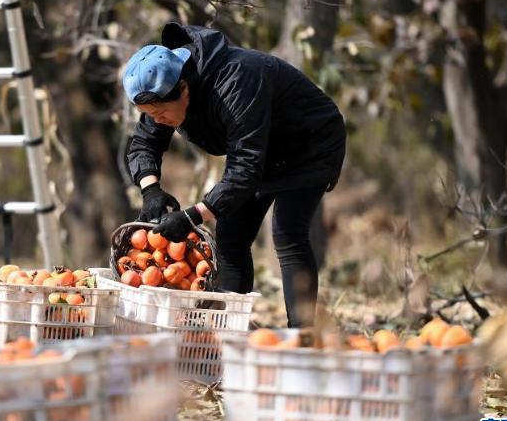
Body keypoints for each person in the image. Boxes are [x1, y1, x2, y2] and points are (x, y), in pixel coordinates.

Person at [122, 22, 346, 327]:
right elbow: (143, 145)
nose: (158, 121)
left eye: (160, 113)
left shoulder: (235, 79)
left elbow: (245, 168)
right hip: (260, 149)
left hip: (310, 141)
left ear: (184, 88)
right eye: (150, 115)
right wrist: (151, 190)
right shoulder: (164, 91)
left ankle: (302, 336)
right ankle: (226, 331)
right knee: (230, 235)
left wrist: (192, 217)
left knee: (288, 232)